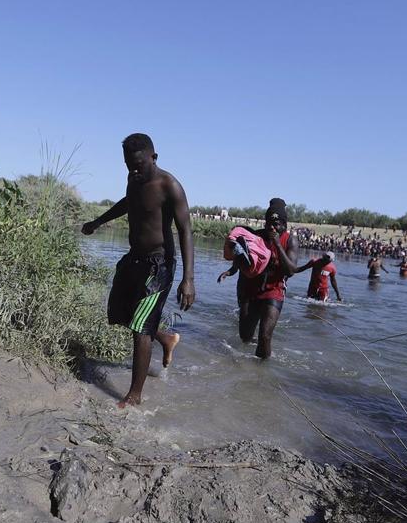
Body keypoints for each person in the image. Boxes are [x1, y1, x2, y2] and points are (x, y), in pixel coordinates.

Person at [81, 133, 195, 408]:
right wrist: (98, 222)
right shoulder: (134, 178)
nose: (134, 170)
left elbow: (186, 231)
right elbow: (128, 202)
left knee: (140, 329)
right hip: (135, 259)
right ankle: (166, 338)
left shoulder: (170, 186)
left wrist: (188, 279)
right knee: (119, 313)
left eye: (140, 164)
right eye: (129, 165)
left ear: (154, 158)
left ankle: (134, 397)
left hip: (159, 266)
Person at [218, 198, 300, 359]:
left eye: (276, 224)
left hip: (274, 291)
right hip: (251, 290)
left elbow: (290, 270)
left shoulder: (290, 240)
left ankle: (261, 373)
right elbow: (243, 256)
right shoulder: (257, 236)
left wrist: (276, 244)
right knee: (245, 336)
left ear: (284, 225)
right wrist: (231, 271)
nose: (272, 227)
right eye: (269, 222)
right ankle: (254, 345)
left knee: (265, 336)